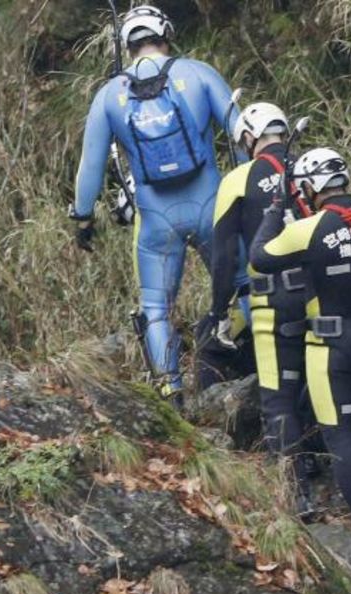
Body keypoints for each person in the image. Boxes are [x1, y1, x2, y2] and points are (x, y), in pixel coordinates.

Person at [70, 4, 246, 401]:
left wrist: (82, 220)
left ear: (127, 45)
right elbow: (240, 133)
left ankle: (171, 389)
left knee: (155, 307)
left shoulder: (108, 96)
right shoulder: (197, 73)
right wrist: (250, 190)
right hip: (213, 208)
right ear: (165, 34)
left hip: (155, 221)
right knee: (246, 286)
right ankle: (225, 344)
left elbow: (90, 168)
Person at [249, 147, 351, 538]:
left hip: (330, 347)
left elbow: (259, 257)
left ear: (310, 187)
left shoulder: (308, 230)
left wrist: (276, 209)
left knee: (340, 432)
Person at [209, 102, 317, 515]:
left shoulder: (238, 179)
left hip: (274, 298)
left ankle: (296, 492)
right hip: (321, 294)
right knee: (323, 383)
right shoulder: (311, 166)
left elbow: (223, 258)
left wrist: (219, 310)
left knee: (279, 396)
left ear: (249, 138)